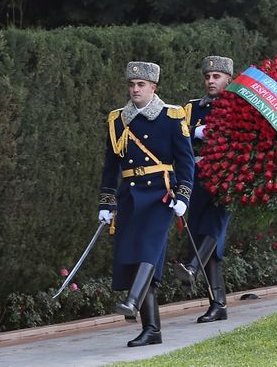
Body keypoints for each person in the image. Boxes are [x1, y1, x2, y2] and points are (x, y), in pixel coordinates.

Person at [98, 61, 194, 347]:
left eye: (141, 84)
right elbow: (110, 166)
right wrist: (106, 201)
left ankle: (132, 301)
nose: (135, 89)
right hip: (130, 195)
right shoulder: (118, 120)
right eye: (131, 84)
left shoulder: (171, 116)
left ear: (153, 87)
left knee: (148, 249)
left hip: (161, 194)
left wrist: (183, 195)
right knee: (132, 256)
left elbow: (186, 161)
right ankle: (152, 329)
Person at [174, 55, 233, 323]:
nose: (211, 81)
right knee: (200, 232)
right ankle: (218, 304)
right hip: (197, 176)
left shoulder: (237, 106)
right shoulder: (192, 107)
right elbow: (179, 136)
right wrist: (196, 132)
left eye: (216, 77)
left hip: (227, 177)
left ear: (228, 79)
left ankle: (192, 269)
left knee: (212, 227)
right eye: (208, 77)